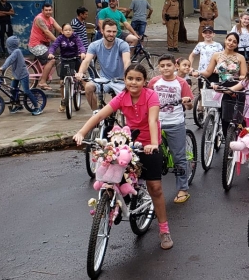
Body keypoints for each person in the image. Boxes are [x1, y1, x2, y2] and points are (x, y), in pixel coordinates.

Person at [73, 63, 174, 250]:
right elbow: (98, 116)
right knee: (112, 175)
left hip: (149, 145)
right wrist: (81, 133)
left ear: (144, 82)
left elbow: (153, 121)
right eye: (130, 79)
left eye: (138, 79)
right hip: (128, 144)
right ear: (125, 80)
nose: (133, 82)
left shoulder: (151, 96)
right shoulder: (122, 97)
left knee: (155, 187)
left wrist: (152, 144)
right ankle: (115, 203)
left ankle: (164, 229)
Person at [148, 54, 194, 204]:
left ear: (175, 66)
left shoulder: (181, 83)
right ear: (158, 68)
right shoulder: (154, 82)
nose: (165, 68)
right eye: (162, 66)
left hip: (175, 123)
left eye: (169, 65)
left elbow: (190, 105)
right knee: (150, 156)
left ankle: (183, 189)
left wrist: (187, 103)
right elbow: (146, 98)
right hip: (156, 123)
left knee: (179, 158)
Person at [75, 19, 131, 110]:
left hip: (121, 80)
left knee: (127, 104)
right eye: (108, 31)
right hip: (104, 80)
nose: (111, 34)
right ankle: (96, 115)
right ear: (102, 31)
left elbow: (127, 61)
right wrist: (80, 72)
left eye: (114, 32)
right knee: (88, 87)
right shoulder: (95, 45)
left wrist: (127, 77)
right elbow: (87, 61)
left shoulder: (122, 44)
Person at [200, 32, 248, 126]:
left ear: (237, 44)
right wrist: (197, 72)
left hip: (233, 86)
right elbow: (208, 72)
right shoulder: (216, 55)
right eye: (229, 40)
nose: (231, 43)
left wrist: (235, 77)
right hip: (220, 85)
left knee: (229, 116)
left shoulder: (240, 57)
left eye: (234, 42)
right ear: (225, 40)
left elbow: (244, 76)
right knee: (219, 112)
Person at [0, 35, 43, 115]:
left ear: (9, 45)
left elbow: (10, 60)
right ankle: (18, 105)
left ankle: (37, 107)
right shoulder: (14, 52)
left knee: (26, 91)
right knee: (12, 89)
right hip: (16, 75)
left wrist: (2, 67)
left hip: (23, 75)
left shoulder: (16, 51)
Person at [48, 23, 87, 113]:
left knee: (82, 76)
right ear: (62, 31)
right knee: (62, 82)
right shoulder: (60, 38)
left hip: (75, 59)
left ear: (72, 31)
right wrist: (51, 53)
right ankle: (64, 101)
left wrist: (82, 52)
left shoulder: (75, 37)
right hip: (65, 60)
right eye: (66, 30)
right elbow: (54, 46)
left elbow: (80, 45)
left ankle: (85, 89)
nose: (68, 31)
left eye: (70, 30)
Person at [28, 2, 63, 90]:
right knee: (51, 60)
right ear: (42, 11)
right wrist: (57, 41)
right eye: (46, 10)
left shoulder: (51, 19)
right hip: (36, 45)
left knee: (60, 52)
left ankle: (49, 75)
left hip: (44, 45)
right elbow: (47, 32)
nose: (48, 12)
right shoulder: (39, 19)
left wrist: (69, 36)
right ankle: (42, 82)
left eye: (50, 10)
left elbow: (59, 29)